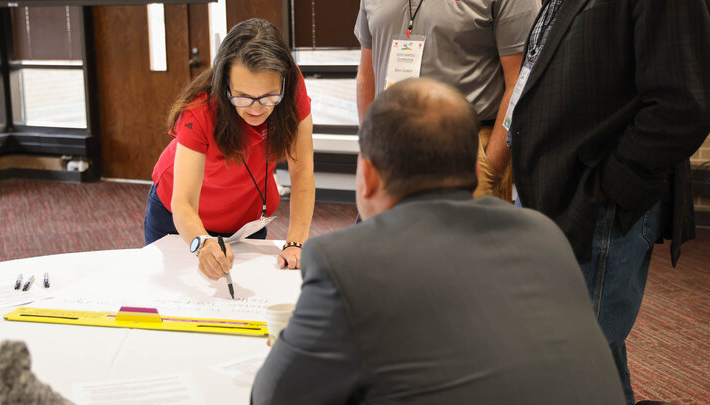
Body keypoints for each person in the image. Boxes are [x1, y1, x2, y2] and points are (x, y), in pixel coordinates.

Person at [251, 78, 625, 404]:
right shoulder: (545, 235)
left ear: (366, 176)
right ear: (473, 166)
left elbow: (273, 396)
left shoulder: (344, 263)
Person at [494, 1, 710, 403]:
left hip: (597, 206)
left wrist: (608, 185)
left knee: (575, 363)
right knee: (589, 357)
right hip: (557, 196)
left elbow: (683, 106)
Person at [144, 19, 315, 276]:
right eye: (243, 97)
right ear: (224, 85)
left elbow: (302, 174)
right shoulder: (200, 109)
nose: (257, 108)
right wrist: (201, 243)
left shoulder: (291, 89)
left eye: (269, 97)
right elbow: (183, 203)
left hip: (245, 216)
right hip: (180, 219)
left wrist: (295, 243)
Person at [354, 0, 540, 201]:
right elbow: (367, 73)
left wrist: (491, 167)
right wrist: (370, 146)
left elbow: (521, 81)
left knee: (461, 233)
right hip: (388, 148)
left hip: (466, 150)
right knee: (390, 232)